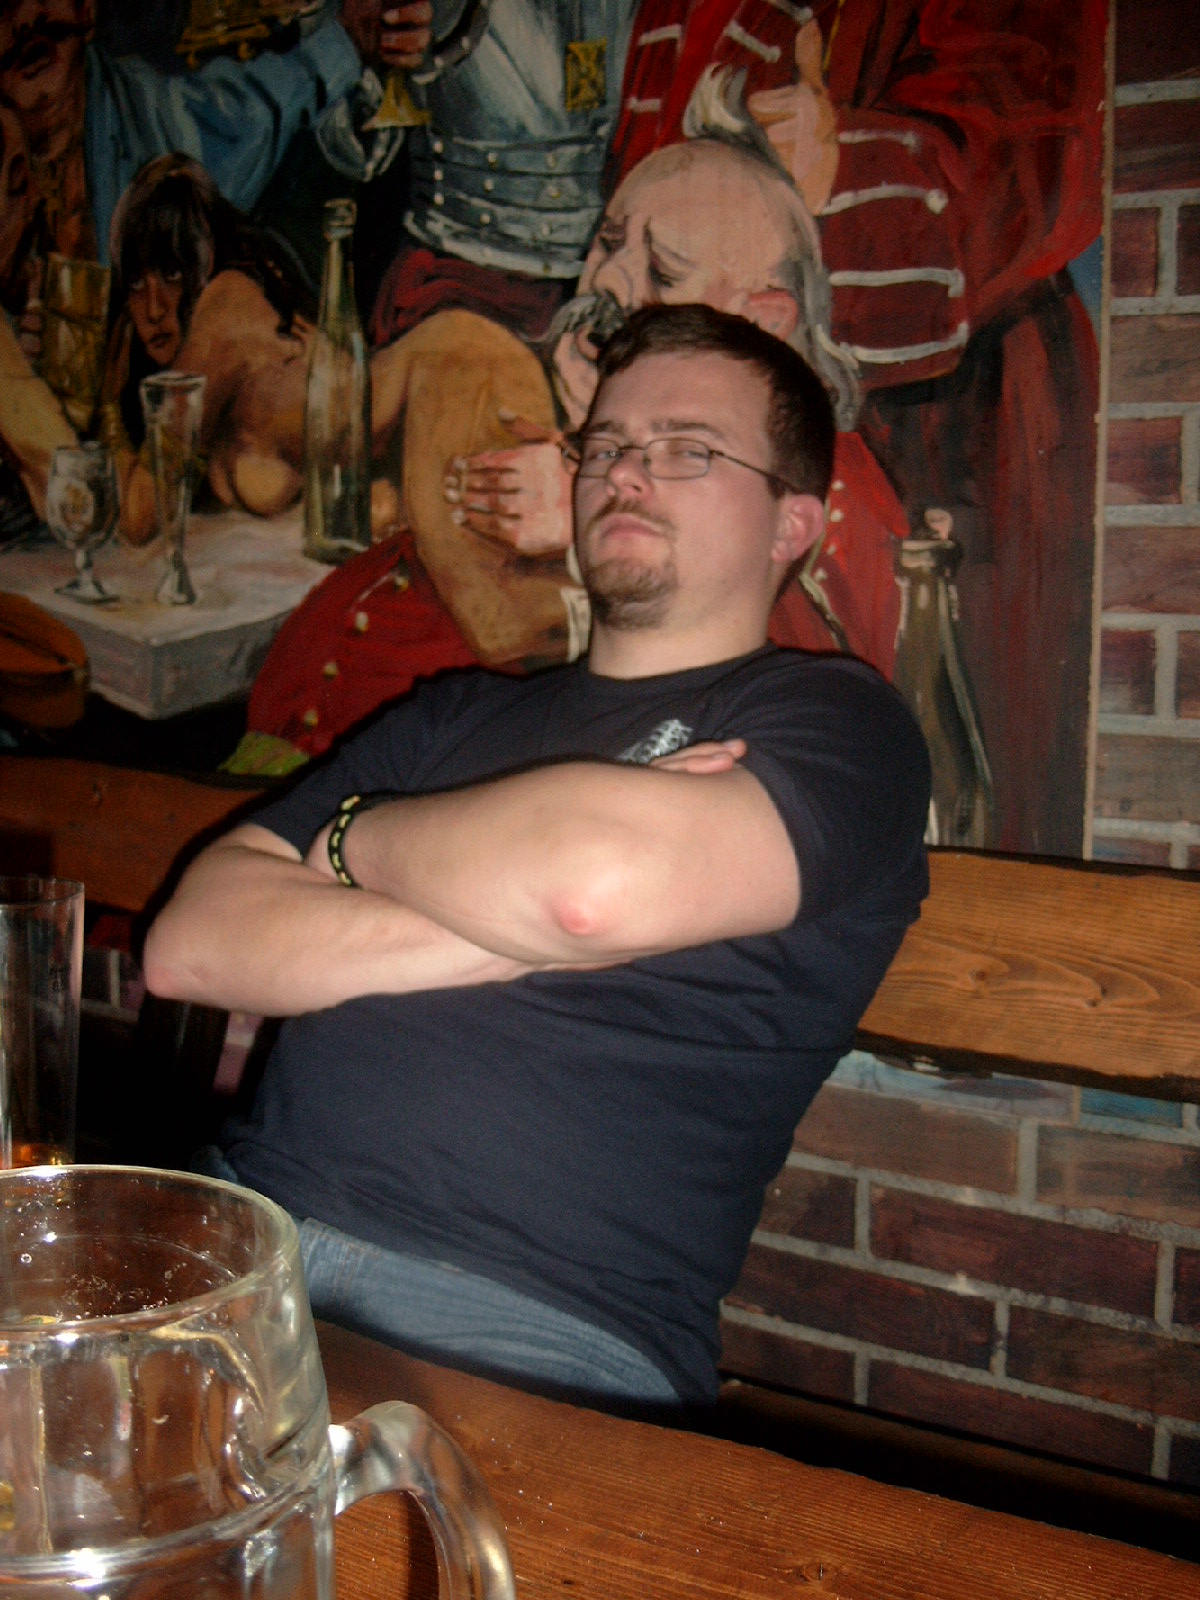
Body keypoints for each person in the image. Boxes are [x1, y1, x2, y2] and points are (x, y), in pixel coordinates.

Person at [142, 303, 930, 1411]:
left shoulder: (839, 726)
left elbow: (584, 891)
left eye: (688, 450)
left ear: (791, 523)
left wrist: (356, 838)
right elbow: (193, 945)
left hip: (533, 1321)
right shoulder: (453, 713)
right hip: (243, 1234)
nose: (626, 472)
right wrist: (499, 916)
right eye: (606, 444)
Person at [234, 117, 908, 770]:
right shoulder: (538, 388)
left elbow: (777, 691)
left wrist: (595, 515)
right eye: (608, 244)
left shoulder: (830, 486)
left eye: (663, 272)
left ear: (763, 319)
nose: (607, 281)